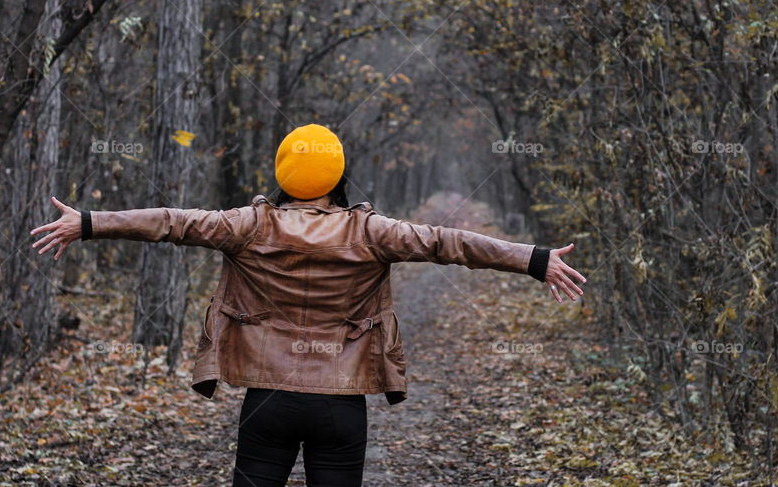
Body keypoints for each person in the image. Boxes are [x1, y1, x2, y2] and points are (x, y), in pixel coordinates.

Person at [30, 123, 586, 486]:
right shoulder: (371, 232)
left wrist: (90, 223)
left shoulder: (249, 225)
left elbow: (173, 222)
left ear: (283, 173)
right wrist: (534, 259)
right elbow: (449, 242)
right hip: (340, 405)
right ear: (339, 176)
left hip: (267, 397)